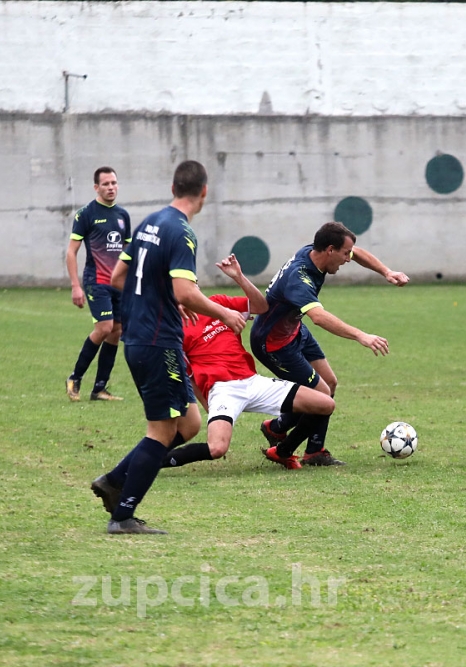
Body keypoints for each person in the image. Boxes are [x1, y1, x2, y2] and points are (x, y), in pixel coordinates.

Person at [88, 160, 246, 535]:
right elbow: (185, 292)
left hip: (141, 338)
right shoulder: (182, 232)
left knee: (190, 423)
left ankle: (112, 479)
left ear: (173, 186)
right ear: (203, 192)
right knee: (160, 431)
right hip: (159, 343)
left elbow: (118, 276)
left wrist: (154, 301)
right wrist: (223, 312)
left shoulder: (151, 221)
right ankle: (122, 514)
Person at [250, 221, 409, 466]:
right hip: (272, 343)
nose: (348, 259)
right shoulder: (299, 278)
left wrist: (386, 272)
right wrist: (361, 335)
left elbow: (358, 254)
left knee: (330, 383)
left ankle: (304, 445)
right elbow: (319, 317)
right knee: (323, 396)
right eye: (345, 254)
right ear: (330, 250)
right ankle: (283, 450)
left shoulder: (316, 251)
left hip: (294, 330)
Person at [162, 253, 336, 471]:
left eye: (194, 284)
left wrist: (239, 277)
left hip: (253, 382)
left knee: (325, 403)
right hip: (223, 390)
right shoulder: (174, 330)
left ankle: (282, 452)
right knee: (217, 448)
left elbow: (261, 307)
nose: (194, 290)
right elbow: (189, 376)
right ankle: (152, 462)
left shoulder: (219, 303)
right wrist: (210, 406)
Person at [65, 167, 132, 401]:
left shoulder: (123, 216)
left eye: (114, 183)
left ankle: (99, 388)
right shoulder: (86, 214)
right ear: (97, 187)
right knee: (104, 327)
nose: (111, 187)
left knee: (116, 331)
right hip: (97, 281)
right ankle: (75, 377)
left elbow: (126, 253)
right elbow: (71, 252)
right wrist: (76, 286)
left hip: (119, 283)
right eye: (105, 184)